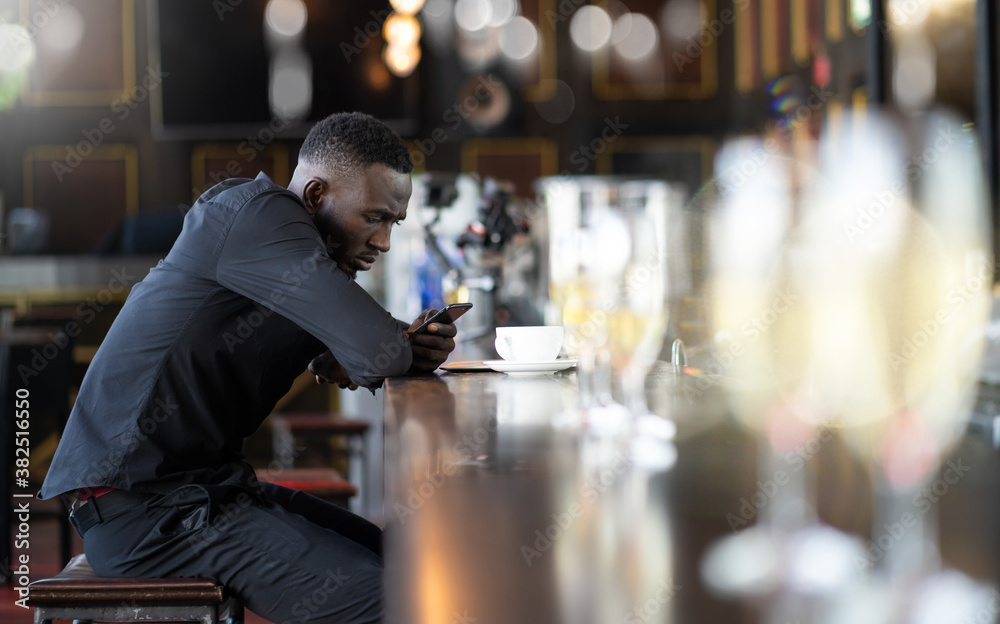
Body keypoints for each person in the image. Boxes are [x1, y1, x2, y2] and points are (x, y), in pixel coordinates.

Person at [38, 112, 457, 623]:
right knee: (403, 603)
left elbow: (366, 346)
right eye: (374, 217)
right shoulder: (260, 215)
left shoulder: (302, 248)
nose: (384, 241)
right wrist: (393, 347)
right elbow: (377, 351)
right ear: (316, 194)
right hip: (145, 513)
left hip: (204, 492)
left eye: (394, 222)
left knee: (412, 564)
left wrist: (397, 345)